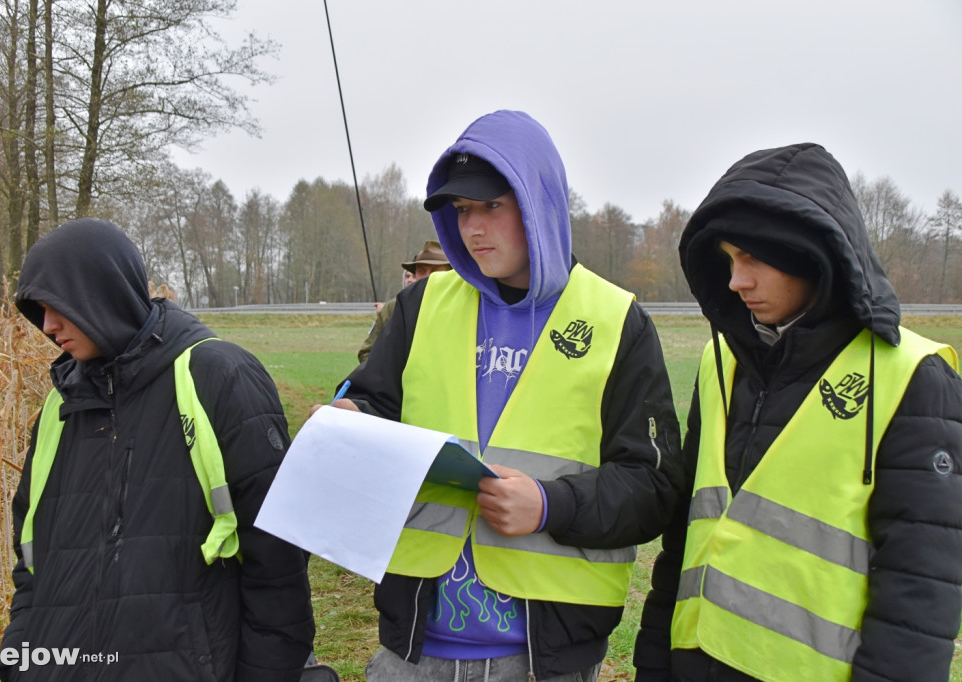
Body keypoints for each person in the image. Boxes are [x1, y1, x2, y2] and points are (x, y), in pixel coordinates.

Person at [315, 109, 683, 680]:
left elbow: (654, 486)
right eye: (462, 211)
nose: (473, 229)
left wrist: (550, 504)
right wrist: (351, 418)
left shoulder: (617, 322)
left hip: (542, 657)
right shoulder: (420, 308)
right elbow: (377, 408)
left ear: (539, 204)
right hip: (411, 648)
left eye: (492, 207)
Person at [633, 143, 962, 682]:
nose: (737, 281)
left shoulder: (911, 377)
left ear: (813, 255)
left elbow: (920, 589)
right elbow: (684, 540)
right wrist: (652, 664)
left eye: (754, 259)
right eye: (729, 259)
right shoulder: (724, 365)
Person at [0, 218, 315, 681]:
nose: (48, 326)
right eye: (38, 309)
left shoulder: (217, 377)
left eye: (57, 305)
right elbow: (30, 558)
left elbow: (278, 566)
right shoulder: (59, 406)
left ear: (101, 293)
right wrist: (19, 660)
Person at [358, 240, 451, 363]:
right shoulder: (394, 307)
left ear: (451, 274)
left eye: (435, 272)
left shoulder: (466, 307)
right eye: (421, 271)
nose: (428, 277)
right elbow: (367, 353)